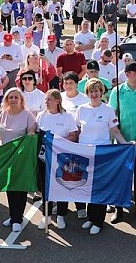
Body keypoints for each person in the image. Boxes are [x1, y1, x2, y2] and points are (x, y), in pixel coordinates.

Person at [77, 80, 132, 235]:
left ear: (102, 93)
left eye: (97, 91)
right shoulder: (81, 109)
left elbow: (115, 131)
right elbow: (77, 131)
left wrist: (125, 143)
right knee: (87, 186)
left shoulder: (108, 109)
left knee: (99, 186)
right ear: (87, 93)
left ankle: (98, 221)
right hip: (84, 153)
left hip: (102, 153)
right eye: (91, 92)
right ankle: (90, 217)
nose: (94, 94)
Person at [107, 62, 136, 223]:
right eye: (135, 71)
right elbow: (112, 115)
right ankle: (119, 209)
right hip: (123, 142)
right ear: (127, 74)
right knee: (122, 176)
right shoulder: (117, 92)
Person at [36, 89, 79, 230]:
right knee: (46, 186)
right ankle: (46, 216)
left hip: (62, 158)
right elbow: (36, 134)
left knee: (62, 185)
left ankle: (61, 215)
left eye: (49, 99)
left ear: (57, 101)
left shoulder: (66, 117)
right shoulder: (41, 116)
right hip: (44, 158)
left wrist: (57, 141)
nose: (46, 102)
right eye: (46, 99)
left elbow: (74, 135)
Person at [0, 87, 38, 232]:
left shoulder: (28, 115)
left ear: (21, 100)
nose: (13, 100)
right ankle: (13, 215)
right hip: (6, 157)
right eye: (10, 97)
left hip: (21, 158)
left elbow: (31, 134)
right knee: (9, 187)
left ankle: (17, 218)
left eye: (16, 97)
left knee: (19, 188)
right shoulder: (3, 114)